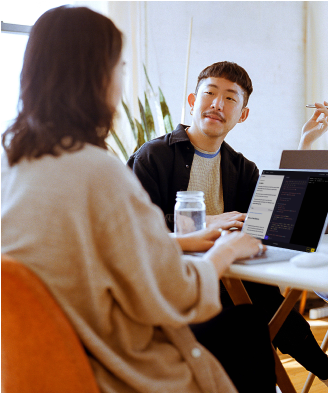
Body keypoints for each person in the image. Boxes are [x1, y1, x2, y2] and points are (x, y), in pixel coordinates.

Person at [1, 7, 278, 393]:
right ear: (99, 78)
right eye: (121, 69)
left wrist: (177, 242)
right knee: (245, 325)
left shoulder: (10, 164)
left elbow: (86, 252)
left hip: (41, 363)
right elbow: (176, 294)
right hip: (111, 363)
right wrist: (225, 253)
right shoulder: (100, 171)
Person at [128, 61, 328, 393]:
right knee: (259, 311)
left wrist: (305, 143)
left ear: (242, 115)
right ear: (192, 101)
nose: (217, 104)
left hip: (232, 273)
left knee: (266, 302)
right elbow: (135, 228)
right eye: (210, 94)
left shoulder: (242, 168)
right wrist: (208, 222)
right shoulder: (153, 156)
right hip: (173, 279)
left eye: (230, 98)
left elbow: (275, 219)